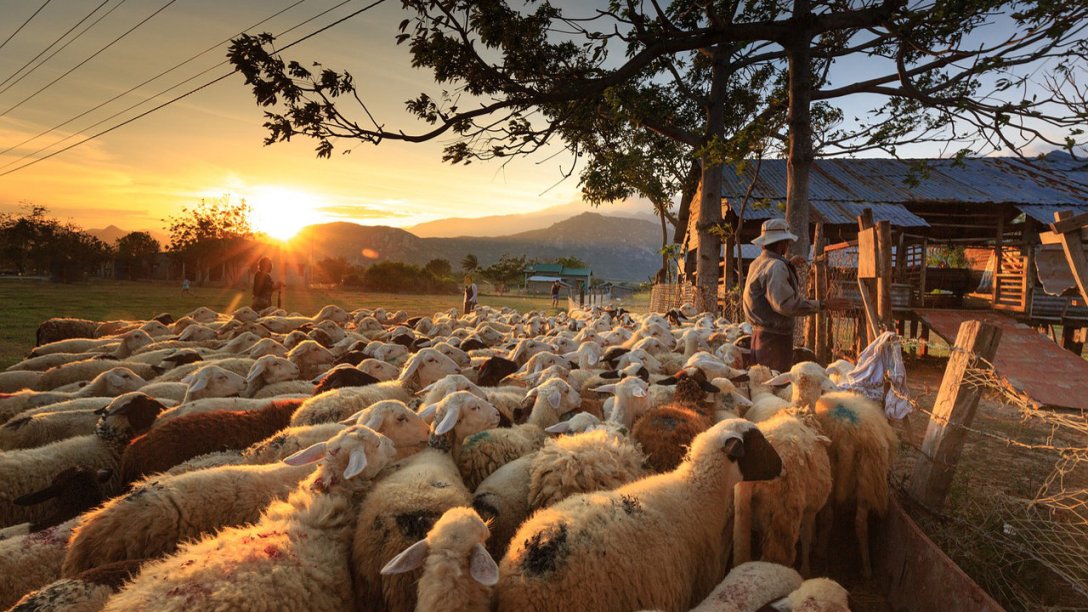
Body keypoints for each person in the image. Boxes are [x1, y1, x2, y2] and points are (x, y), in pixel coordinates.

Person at [743, 218, 846, 373]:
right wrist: (824, 304)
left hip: (760, 337)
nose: (787, 246)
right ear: (781, 244)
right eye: (787, 243)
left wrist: (788, 263)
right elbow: (786, 305)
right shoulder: (776, 266)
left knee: (762, 387)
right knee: (776, 386)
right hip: (775, 341)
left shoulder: (758, 263)